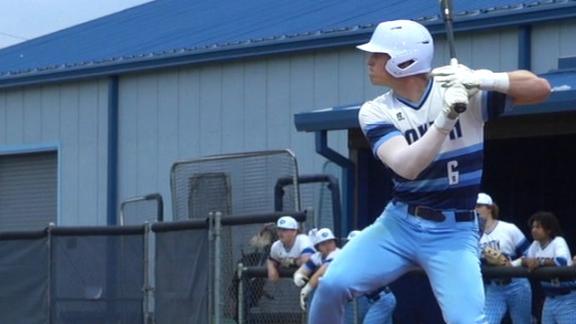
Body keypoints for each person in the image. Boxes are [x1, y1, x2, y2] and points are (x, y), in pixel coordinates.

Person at [308, 19, 551, 324]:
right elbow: (408, 167)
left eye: (379, 55)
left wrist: (484, 78)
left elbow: (541, 89)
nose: (369, 61)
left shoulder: (462, 89)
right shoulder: (375, 110)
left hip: (454, 230)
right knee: (331, 285)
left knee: (468, 321)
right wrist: (447, 117)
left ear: (404, 60)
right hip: (399, 224)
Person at [475, 193, 532, 324]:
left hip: (517, 284)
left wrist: (511, 264)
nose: (475, 209)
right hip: (494, 287)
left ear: (490, 208)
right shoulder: (473, 236)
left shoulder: (508, 228)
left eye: (479, 206)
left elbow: (530, 254)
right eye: (473, 206)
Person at [522, 211, 576, 324]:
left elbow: (561, 262)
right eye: (532, 227)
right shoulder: (535, 244)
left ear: (549, 230)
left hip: (567, 297)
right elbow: (524, 259)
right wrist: (525, 262)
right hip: (549, 298)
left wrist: (539, 262)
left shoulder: (558, 241)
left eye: (538, 227)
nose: (534, 230)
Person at [293, 228, 341, 310]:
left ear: (335, 243)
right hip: (331, 297)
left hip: (350, 298)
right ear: (318, 247)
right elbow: (304, 269)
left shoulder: (337, 253)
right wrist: (298, 276)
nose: (328, 246)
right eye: (323, 243)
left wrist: (306, 290)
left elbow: (322, 271)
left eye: (330, 242)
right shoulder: (317, 256)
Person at [267, 215, 315, 282]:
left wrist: (289, 262)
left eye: (284, 230)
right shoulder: (276, 245)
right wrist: (271, 267)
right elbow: (273, 278)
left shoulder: (303, 240)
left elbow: (307, 262)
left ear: (294, 232)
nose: (280, 233)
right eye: (279, 229)